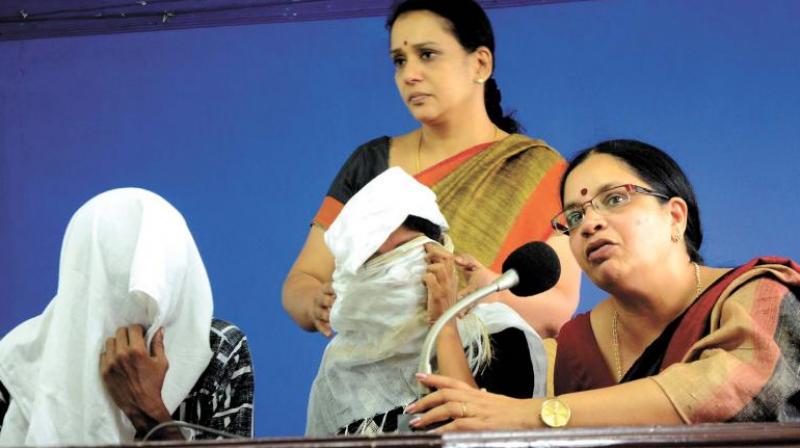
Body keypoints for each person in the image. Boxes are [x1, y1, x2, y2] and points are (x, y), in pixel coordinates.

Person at [404, 139, 800, 430]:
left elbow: (717, 392)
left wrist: (536, 415)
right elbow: (475, 424)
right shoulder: (573, 347)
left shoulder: (759, 295)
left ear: (675, 217)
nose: (590, 224)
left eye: (614, 199)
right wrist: (446, 323)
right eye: (573, 218)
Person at [282, 0, 581, 340]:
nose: (409, 74)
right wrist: (315, 303)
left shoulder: (539, 170)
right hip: (376, 381)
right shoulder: (371, 164)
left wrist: (478, 294)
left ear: (480, 63)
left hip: (498, 382)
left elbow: (556, 309)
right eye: (399, 60)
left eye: (427, 54)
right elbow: (302, 279)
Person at [0, 188, 254, 445]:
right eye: (111, 278)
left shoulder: (219, 352)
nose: (137, 310)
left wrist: (148, 412)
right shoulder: (16, 361)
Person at [305, 168, 547, 435]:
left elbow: (482, 442)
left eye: (404, 251)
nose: (394, 271)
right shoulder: (340, 367)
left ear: (439, 252)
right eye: (376, 262)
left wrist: (444, 325)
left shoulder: (499, 333)